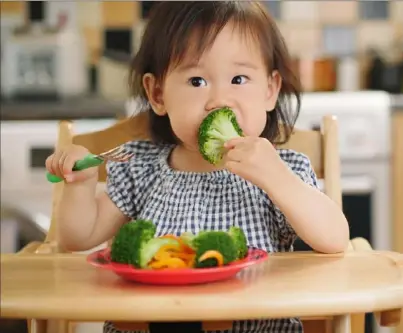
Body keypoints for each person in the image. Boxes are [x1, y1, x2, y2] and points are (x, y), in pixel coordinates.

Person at [45, 2, 349, 333]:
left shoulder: (282, 171)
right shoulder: (141, 168)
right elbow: (79, 237)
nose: (219, 100)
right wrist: (80, 185)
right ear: (158, 94)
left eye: (238, 78)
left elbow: (334, 239)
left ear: (270, 90)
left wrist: (279, 180)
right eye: (196, 81)